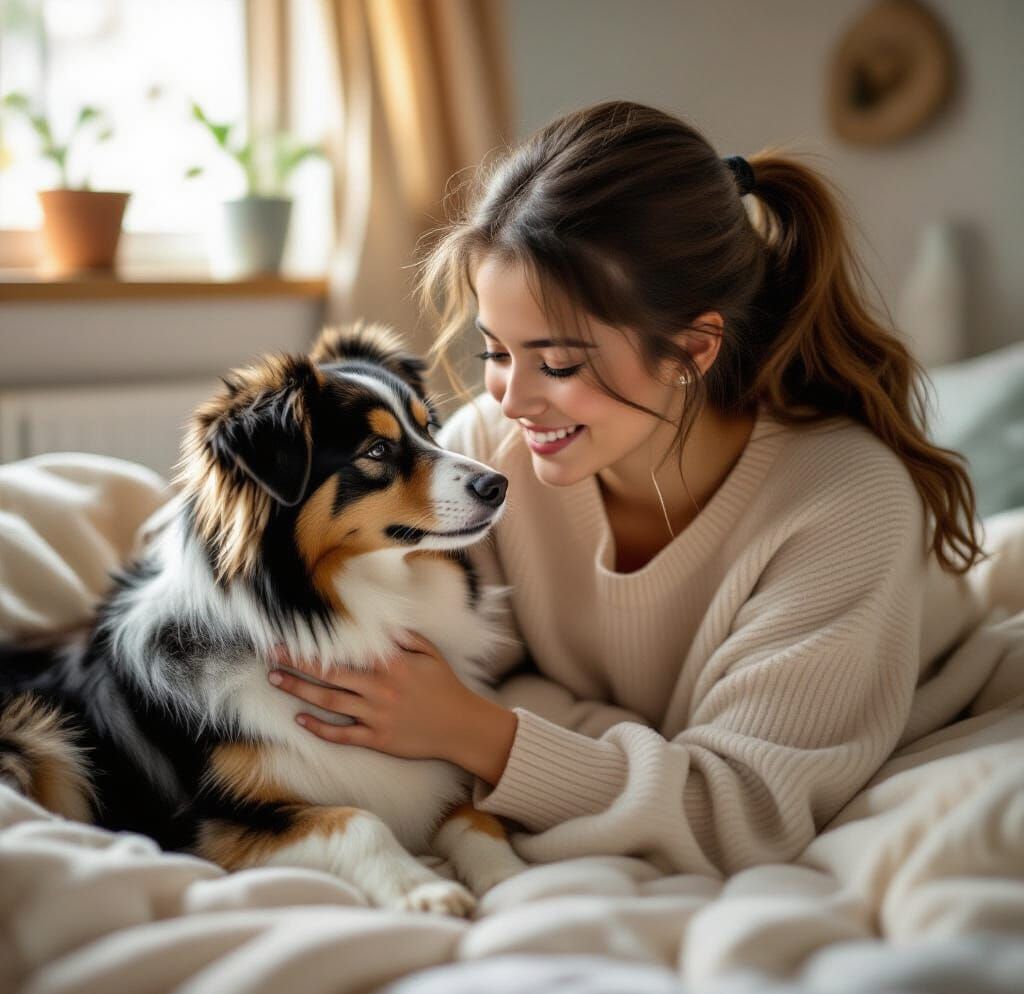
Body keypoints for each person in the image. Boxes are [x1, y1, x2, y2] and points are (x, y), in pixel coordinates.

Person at [267, 101, 985, 876]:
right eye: (495, 352)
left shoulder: (845, 506)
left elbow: (737, 813)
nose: (511, 399)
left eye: (560, 364)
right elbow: (415, 665)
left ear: (691, 348)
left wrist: (478, 732)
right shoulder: (490, 451)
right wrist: (575, 726)